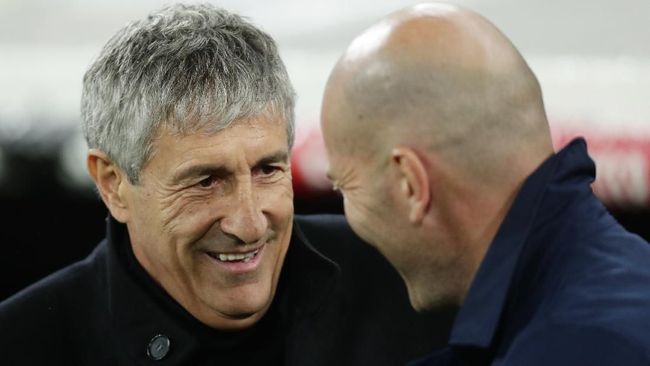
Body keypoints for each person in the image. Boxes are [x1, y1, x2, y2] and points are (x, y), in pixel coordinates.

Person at [0, 4, 456, 365]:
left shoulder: (411, 282)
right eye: (206, 181)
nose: (249, 223)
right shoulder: (22, 345)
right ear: (113, 184)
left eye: (268, 170)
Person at [321, 2, 650, 365]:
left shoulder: (572, 346)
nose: (345, 213)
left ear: (409, 184)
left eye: (346, 186)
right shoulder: (609, 294)